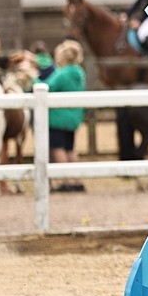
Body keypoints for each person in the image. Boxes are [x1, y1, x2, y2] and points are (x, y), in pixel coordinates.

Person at [44, 40, 86, 192]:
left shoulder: (62, 73)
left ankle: (66, 181)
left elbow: (47, 87)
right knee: (70, 150)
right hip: (73, 118)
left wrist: (32, 79)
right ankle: (77, 180)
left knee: (58, 149)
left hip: (58, 118)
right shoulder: (79, 73)